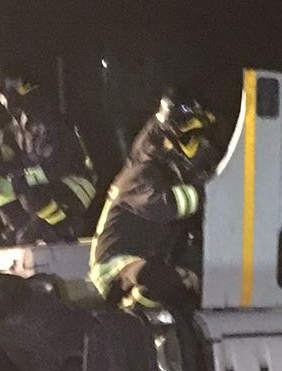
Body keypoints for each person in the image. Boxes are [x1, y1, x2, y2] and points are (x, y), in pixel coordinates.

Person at [88, 91, 220, 310]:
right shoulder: (139, 174)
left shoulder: (164, 170)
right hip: (114, 266)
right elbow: (166, 206)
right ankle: (131, 313)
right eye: (193, 137)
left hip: (148, 258)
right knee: (162, 281)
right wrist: (211, 192)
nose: (201, 146)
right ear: (171, 137)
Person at [0, 63, 98, 246]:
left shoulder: (48, 120)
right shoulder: (19, 121)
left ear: (17, 88)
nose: (1, 101)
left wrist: (20, 179)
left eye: (2, 94)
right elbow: (8, 152)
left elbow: (54, 168)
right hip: (44, 183)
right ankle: (18, 225)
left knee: (26, 187)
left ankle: (62, 225)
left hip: (76, 182)